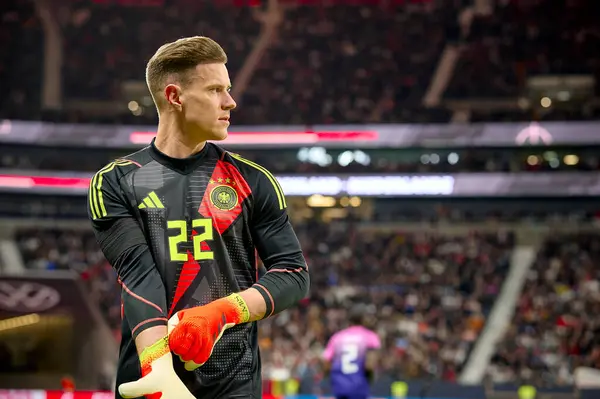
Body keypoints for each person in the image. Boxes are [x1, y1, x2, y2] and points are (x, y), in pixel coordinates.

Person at [87, 36, 309, 399]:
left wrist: (221, 312)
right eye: (216, 89)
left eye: (228, 88)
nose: (230, 101)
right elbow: (139, 275)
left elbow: (293, 273)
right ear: (175, 96)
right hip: (149, 380)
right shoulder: (115, 182)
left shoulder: (253, 180)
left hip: (234, 385)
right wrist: (159, 368)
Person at [323, 309, 381, 399]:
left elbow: (327, 363)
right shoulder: (370, 336)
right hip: (359, 385)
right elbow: (369, 365)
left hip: (339, 386)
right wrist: (370, 379)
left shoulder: (337, 337)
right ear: (363, 320)